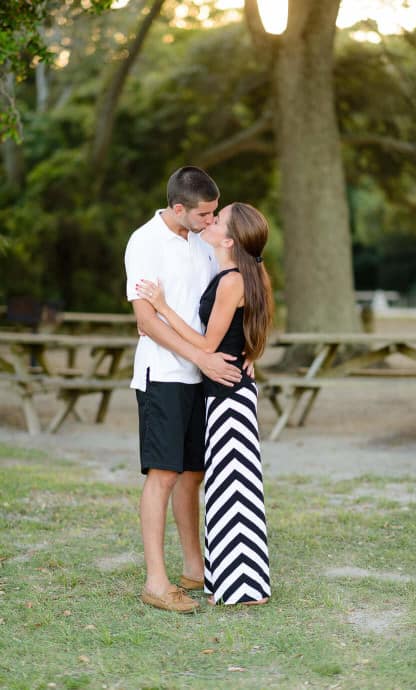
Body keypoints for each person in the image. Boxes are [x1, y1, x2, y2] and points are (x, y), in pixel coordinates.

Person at [137, 202, 274, 606]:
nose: (211, 221)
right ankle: (236, 581)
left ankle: (241, 588)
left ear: (229, 240)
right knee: (234, 486)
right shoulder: (247, 273)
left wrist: (162, 309)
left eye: (219, 219)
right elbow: (256, 323)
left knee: (233, 488)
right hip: (230, 389)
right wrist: (251, 350)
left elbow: (206, 345)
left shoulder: (232, 280)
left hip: (227, 392)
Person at [125, 166, 243, 613]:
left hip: (202, 375)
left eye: (215, 214)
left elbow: (230, 296)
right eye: (206, 214)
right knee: (164, 474)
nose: (212, 222)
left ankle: (195, 568)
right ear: (179, 209)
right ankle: (157, 581)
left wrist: (247, 347)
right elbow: (146, 320)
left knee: (193, 472)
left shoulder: (203, 241)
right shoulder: (144, 242)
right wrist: (201, 358)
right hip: (164, 374)